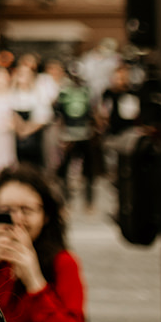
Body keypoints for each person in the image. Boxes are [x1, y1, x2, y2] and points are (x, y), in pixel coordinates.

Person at [0, 164, 87, 322]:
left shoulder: (63, 263)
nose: (16, 220)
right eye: (6, 210)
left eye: (26, 210)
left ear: (45, 216)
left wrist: (35, 282)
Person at [52, 59, 98, 210]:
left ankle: (89, 201)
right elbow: (58, 112)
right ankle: (66, 200)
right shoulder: (64, 90)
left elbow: (93, 111)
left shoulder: (87, 90)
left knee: (89, 170)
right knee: (65, 168)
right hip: (69, 134)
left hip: (85, 133)